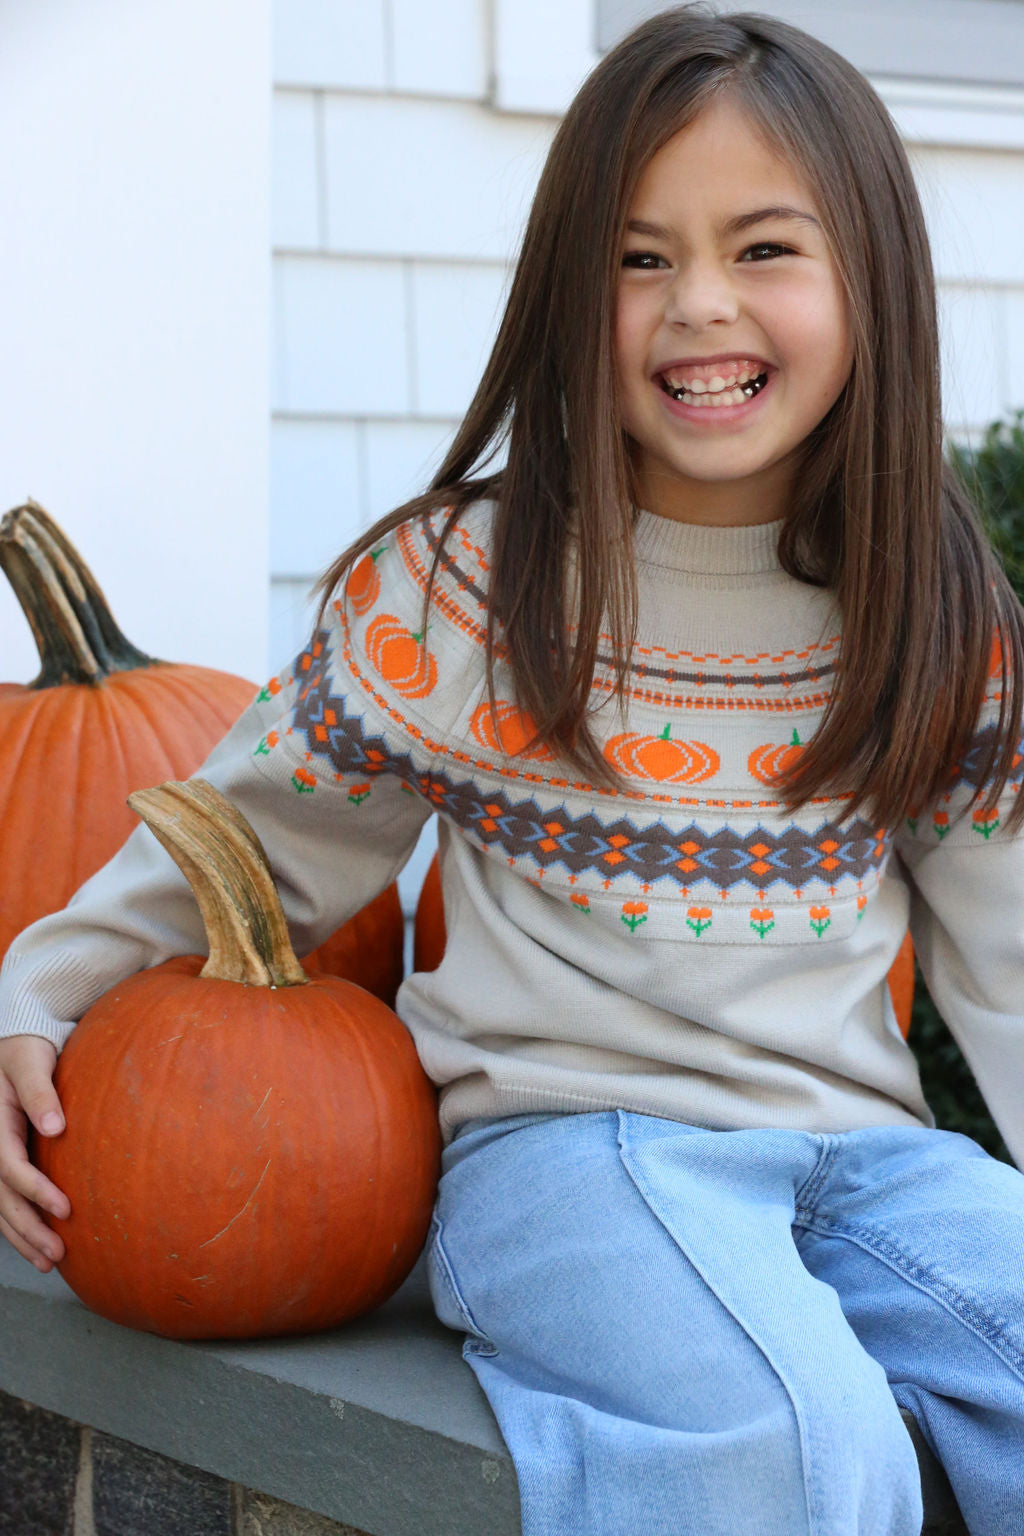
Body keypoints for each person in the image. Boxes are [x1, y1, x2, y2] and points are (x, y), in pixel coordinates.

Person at [2, 5, 1023, 1531]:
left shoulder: (929, 607)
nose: (697, 306)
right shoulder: (463, 594)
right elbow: (248, 836)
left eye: (762, 250)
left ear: (870, 278)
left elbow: (1011, 952)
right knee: (793, 1448)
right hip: (571, 1157)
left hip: (864, 1169)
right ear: (566, 290)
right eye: (636, 257)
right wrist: (34, 992)